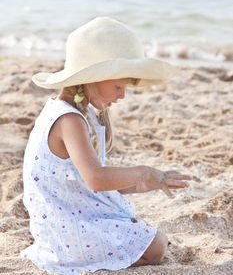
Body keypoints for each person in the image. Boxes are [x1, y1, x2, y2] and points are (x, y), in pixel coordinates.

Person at [21, 17, 192, 275]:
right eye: (118, 86)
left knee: (148, 236)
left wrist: (146, 184)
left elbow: (79, 181)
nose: (122, 95)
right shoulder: (69, 119)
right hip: (64, 230)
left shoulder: (73, 112)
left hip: (69, 214)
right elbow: (96, 179)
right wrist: (143, 172)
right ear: (94, 77)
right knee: (156, 246)